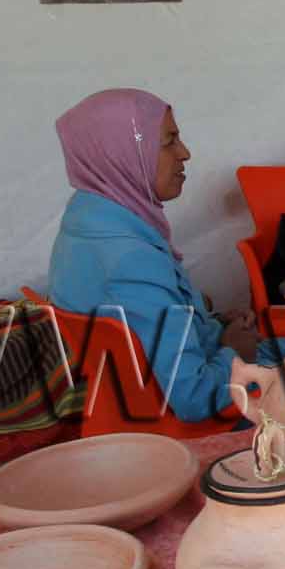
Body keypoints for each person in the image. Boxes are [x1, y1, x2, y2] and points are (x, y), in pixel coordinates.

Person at [48, 89, 248, 423]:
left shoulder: (86, 224)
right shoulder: (130, 258)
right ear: (123, 153)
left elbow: (147, 322)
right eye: (170, 141)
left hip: (134, 400)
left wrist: (206, 320)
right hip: (215, 407)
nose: (185, 153)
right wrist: (236, 352)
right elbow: (195, 397)